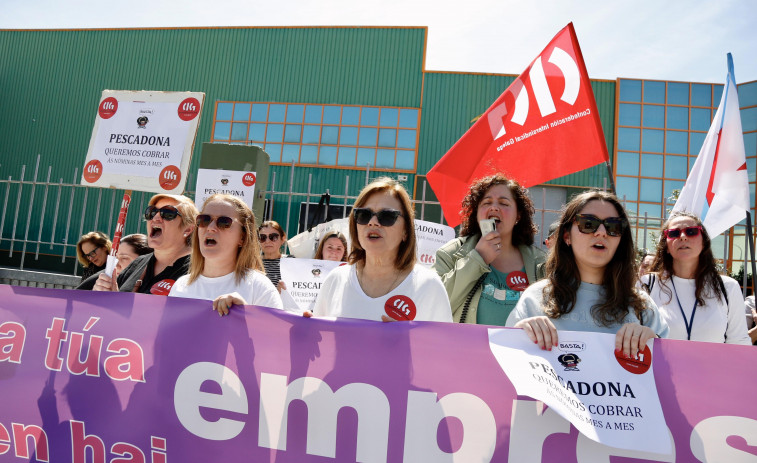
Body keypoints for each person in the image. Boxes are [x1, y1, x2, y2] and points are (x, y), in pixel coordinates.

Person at [506, 191, 669, 359]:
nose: (601, 232)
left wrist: (653, 342)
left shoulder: (641, 305)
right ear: (567, 236)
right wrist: (518, 335)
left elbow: (669, 368)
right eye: (588, 223)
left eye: (613, 226)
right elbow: (508, 362)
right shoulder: (535, 298)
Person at [311, 177, 451, 322]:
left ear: (406, 231)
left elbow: (443, 344)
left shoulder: (428, 286)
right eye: (364, 215)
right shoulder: (335, 280)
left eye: (387, 216)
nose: (372, 222)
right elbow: (317, 340)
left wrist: (405, 340)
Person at [433, 174, 546, 325]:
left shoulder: (541, 263)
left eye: (504, 203)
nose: (494, 207)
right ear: (477, 213)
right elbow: (434, 305)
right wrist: (477, 259)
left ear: (518, 215)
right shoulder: (450, 253)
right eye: (486, 202)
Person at [642, 212, 750, 345]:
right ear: (667, 247)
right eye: (674, 233)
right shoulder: (646, 284)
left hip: (713, 366)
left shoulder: (728, 287)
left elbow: (739, 341)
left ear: (703, 243)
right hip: (661, 366)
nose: (682, 237)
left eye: (691, 231)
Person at [169, 194, 282, 314]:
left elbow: (276, 332)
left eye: (224, 222)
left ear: (242, 237)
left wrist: (246, 315)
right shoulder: (180, 286)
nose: (211, 228)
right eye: (204, 220)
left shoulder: (259, 287)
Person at [92, 194, 198, 295]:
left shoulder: (199, 269)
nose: (156, 217)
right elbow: (114, 308)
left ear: (188, 229)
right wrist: (106, 295)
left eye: (168, 214)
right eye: (152, 212)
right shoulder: (138, 263)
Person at [259, 220, 287, 292]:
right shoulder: (251, 263)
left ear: (282, 239)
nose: (267, 241)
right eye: (262, 237)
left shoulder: (291, 262)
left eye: (273, 237)